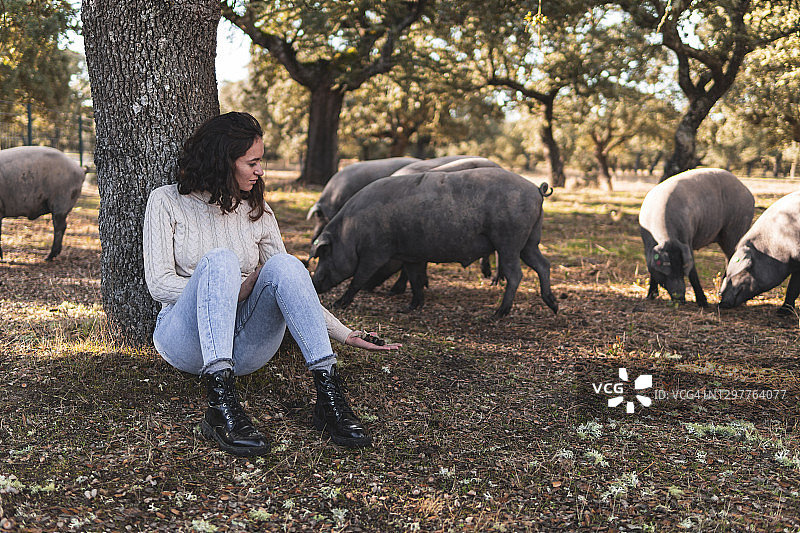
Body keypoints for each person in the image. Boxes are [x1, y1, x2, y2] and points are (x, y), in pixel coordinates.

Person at [142, 111, 400, 457]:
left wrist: (343, 333)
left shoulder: (256, 209)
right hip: (187, 341)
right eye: (253, 162)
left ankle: (328, 397)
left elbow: (292, 287)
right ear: (222, 161)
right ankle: (220, 404)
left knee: (285, 263)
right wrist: (229, 290)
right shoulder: (167, 201)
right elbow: (159, 284)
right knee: (221, 261)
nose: (260, 171)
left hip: (245, 347)